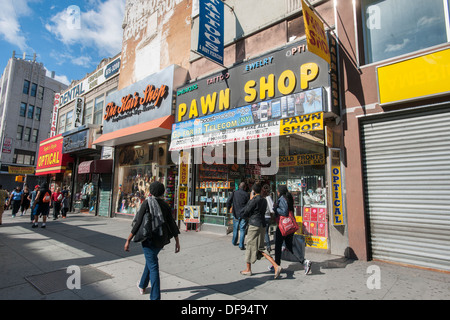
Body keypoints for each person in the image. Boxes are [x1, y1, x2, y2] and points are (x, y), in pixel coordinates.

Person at [124, 181, 180, 300]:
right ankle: (142, 285)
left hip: (148, 239)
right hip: (160, 240)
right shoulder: (165, 205)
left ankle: (155, 297)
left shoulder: (147, 203)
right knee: (151, 261)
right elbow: (172, 223)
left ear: (151, 191)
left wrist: (128, 239)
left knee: (153, 266)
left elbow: (138, 223)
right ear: (162, 192)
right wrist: (177, 241)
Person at [240, 183, 282, 279]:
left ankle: (248, 269)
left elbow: (246, 211)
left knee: (250, 245)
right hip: (262, 224)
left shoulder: (254, 200)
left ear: (253, 191)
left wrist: (250, 200)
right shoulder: (264, 200)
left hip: (254, 224)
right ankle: (276, 266)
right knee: (260, 247)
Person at [273, 185, 311, 275]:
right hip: (290, 225)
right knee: (290, 246)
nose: (277, 192)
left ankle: (276, 265)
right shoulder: (288, 198)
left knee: (278, 245)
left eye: (277, 191)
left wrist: (275, 208)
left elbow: (284, 211)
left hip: (283, 226)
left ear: (280, 191)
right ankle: (304, 261)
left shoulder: (282, 199)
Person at [226, 182, 250, 250]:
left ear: (239, 186)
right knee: (242, 230)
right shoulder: (246, 194)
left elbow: (228, 201)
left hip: (236, 213)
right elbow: (248, 205)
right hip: (243, 214)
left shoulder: (234, 193)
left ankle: (234, 241)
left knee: (235, 228)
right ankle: (241, 245)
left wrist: (229, 208)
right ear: (245, 187)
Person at [262, 184, 274, 253]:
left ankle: (262, 245)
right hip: (267, 216)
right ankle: (268, 246)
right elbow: (272, 209)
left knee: (263, 232)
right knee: (266, 232)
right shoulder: (268, 198)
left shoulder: (261, 197)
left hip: (262, 216)